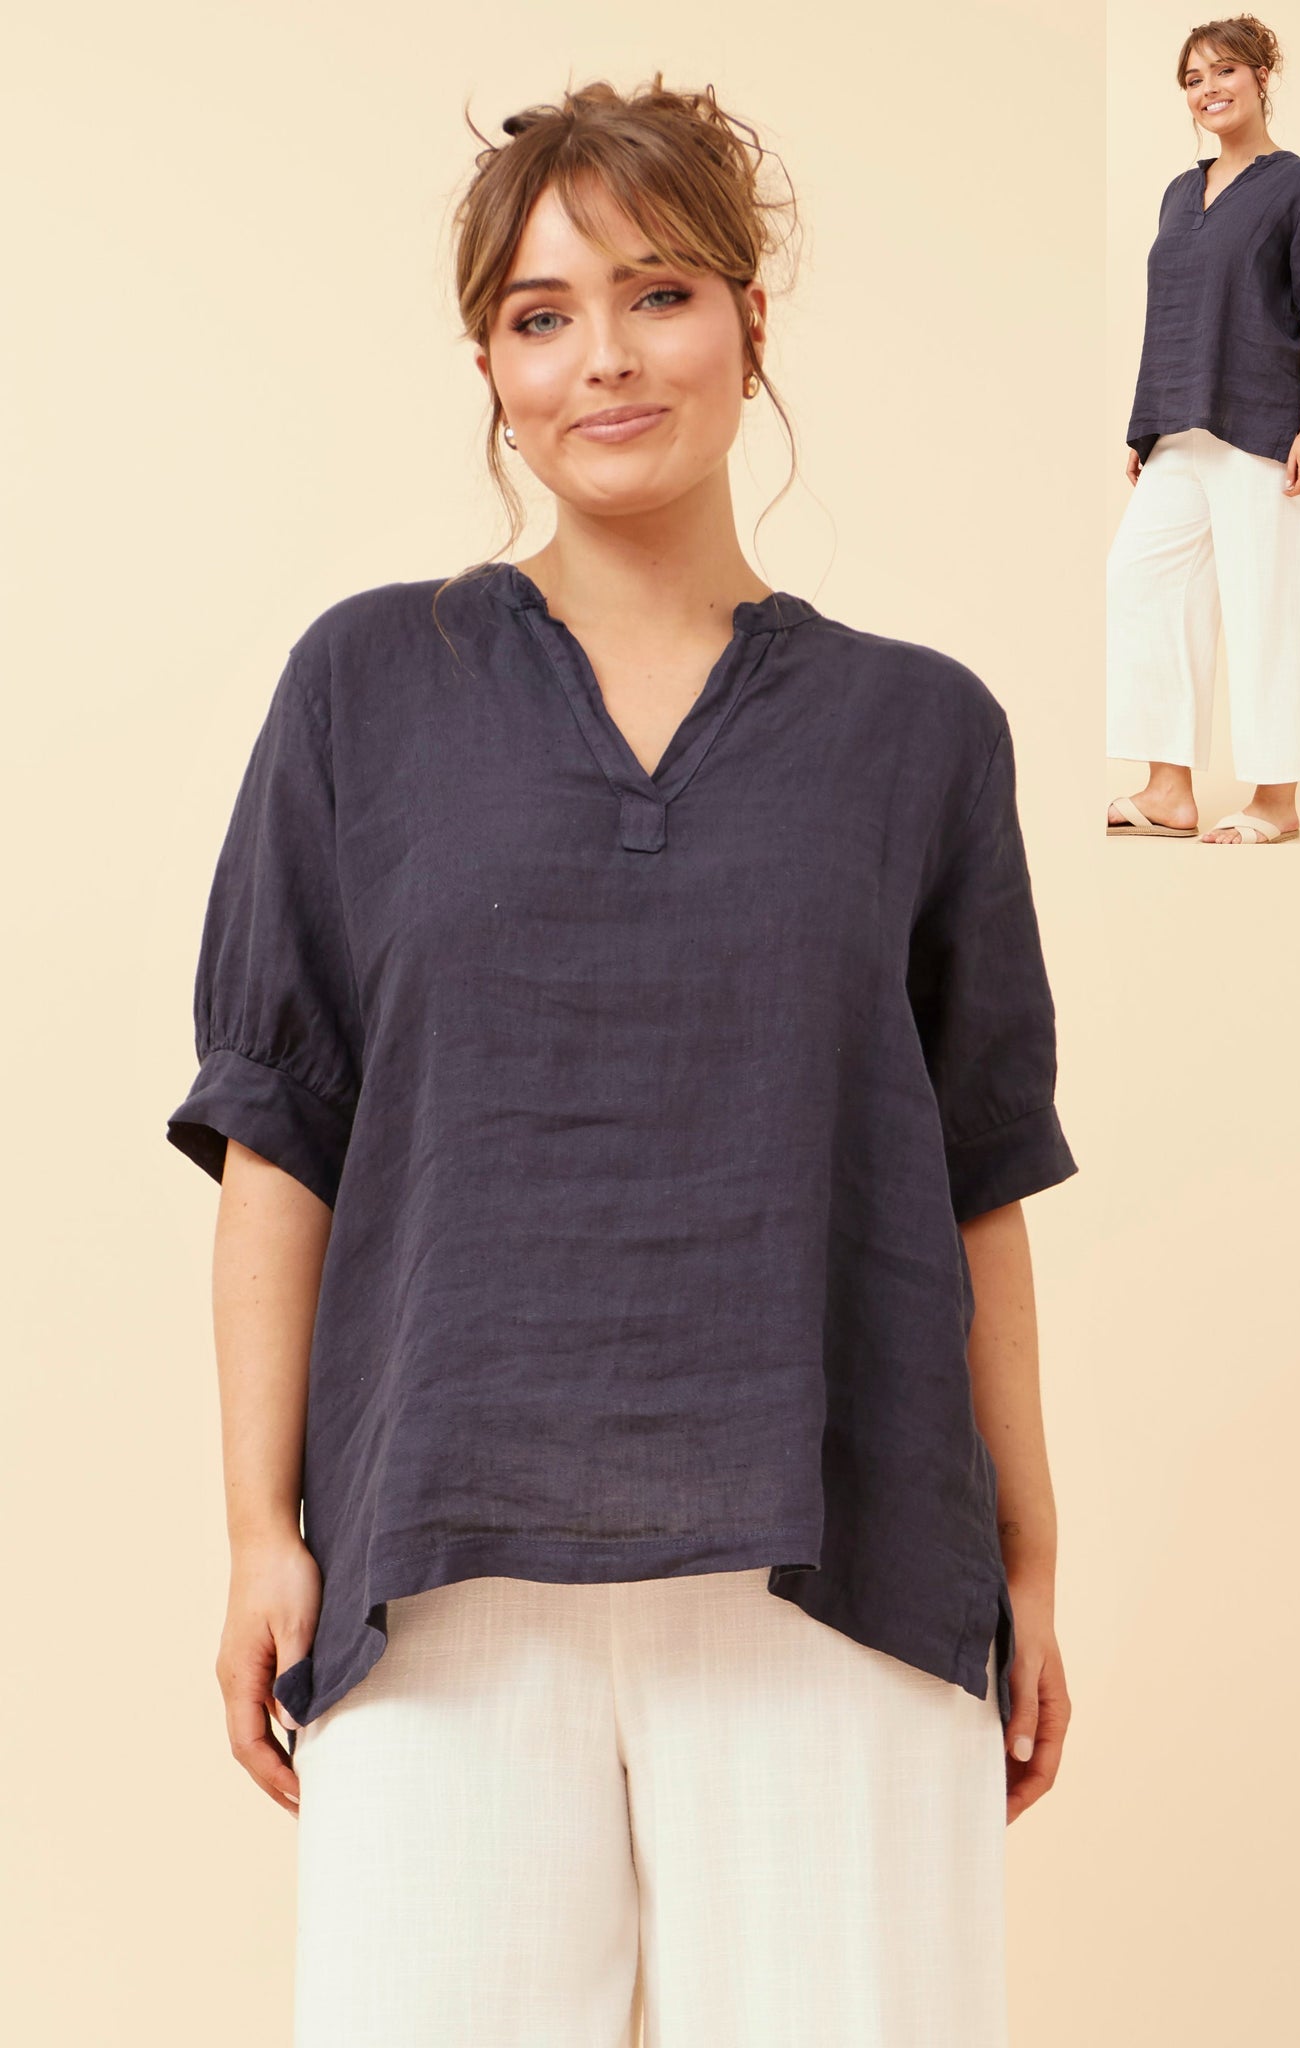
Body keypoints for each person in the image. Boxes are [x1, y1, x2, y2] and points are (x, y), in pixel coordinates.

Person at [165, 76, 1078, 2047]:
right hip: (440, 1562)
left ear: (749, 316)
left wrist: (1028, 1549)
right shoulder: (363, 688)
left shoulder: (920, 733)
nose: (603, 357)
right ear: (490, 368)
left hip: (844, 1558)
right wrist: (255, 1531)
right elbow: (277, 1137)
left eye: (656, 292)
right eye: (540, 314)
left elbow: (976, 1171)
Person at [1106, 14, 1300, 845]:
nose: (1206, 89)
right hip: (1177, 428)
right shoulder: (1180, 193)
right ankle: (1168, 791)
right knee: (1140, 582)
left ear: (1259, 77)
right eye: (1192, 78)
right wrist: (1145, 426)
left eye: (1222, 71)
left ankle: (1275, 803)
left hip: (1263, 426)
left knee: (1267, 607)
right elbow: (1171, 310)